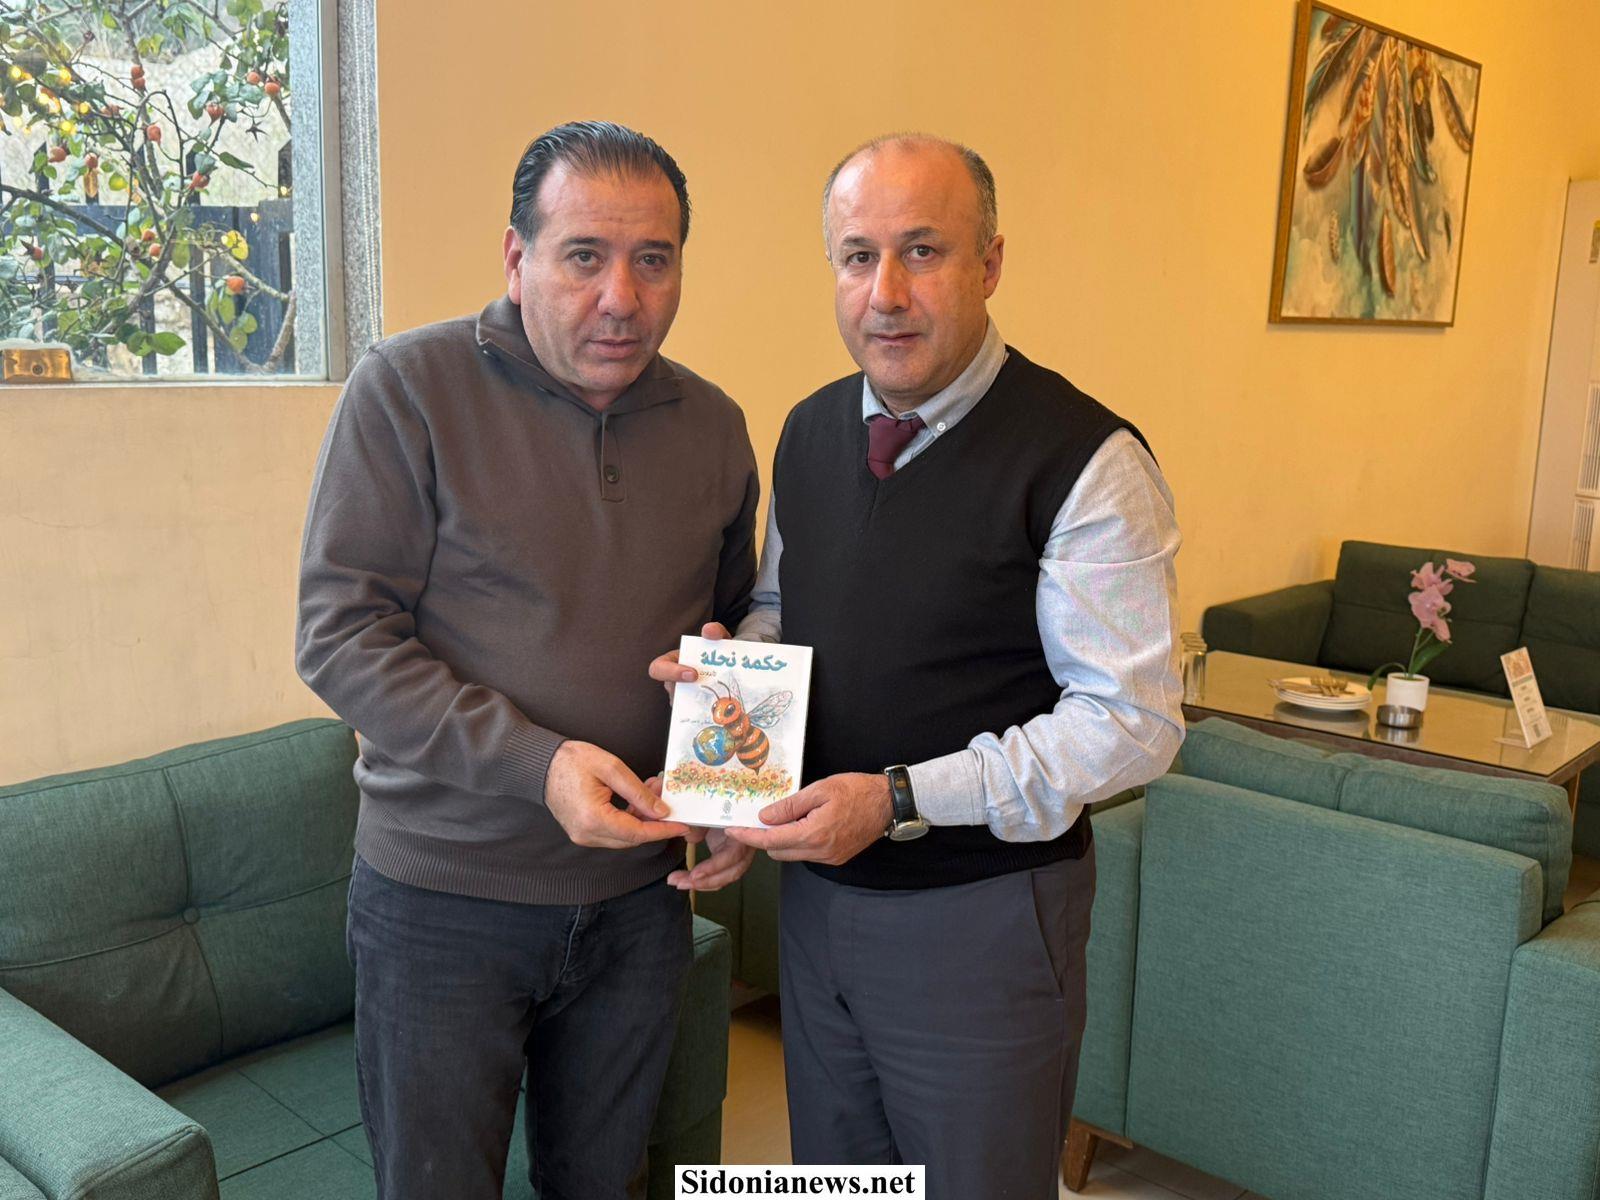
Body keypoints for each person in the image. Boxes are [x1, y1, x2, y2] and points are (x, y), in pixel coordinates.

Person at [663, 134, 1184, 1195]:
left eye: (923, 251)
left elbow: (1131, 722)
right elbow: (783, 612)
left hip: (983, 919)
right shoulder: (809, 431)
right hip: (817, 908)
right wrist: (730, 724)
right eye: (857, 257)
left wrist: (899, 798)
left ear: (990, 264)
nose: (886, 294)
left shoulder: (1087, 461)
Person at [296, 121, 760, 1200]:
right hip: (441, 902)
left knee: (605, 1182)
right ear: (517, 257)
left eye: (653, 260)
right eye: (583, 256)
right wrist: (537, 764)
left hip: (641, 901)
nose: (621, 298)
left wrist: (733, 790)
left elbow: (736, 629)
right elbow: (340, 635)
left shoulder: (716, 426)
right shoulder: (407, 389)